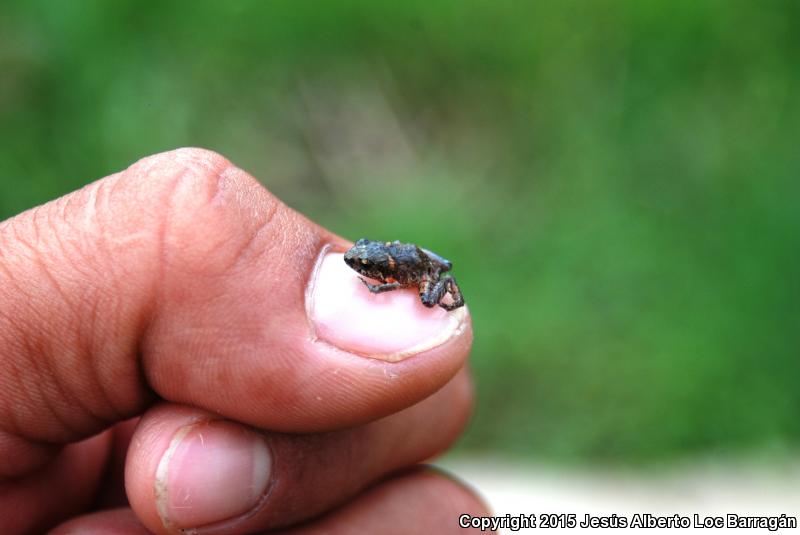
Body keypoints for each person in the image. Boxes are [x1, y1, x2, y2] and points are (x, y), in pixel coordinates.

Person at [0, 149, 491, 534]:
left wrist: (391, 287)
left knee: (429, 305)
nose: (358, 267)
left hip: (426, 268)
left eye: (363, 266)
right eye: (360, 263)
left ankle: (445, 302)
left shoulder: (390, 270)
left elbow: (407, 276)